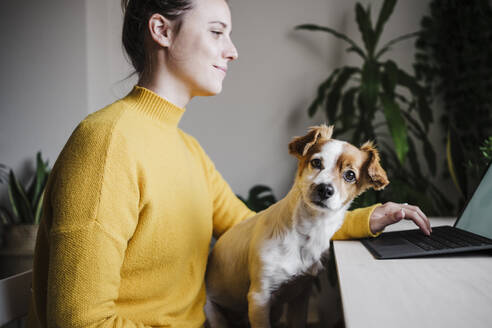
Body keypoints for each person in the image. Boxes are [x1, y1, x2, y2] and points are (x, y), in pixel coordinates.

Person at [26, 0, 431, 327]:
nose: (233, 50)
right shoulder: (107, 142)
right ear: (161, 30)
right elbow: (80, 320)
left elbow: (254, 227)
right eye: (217, 31)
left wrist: (366, 217)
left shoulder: (188, 151)